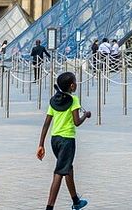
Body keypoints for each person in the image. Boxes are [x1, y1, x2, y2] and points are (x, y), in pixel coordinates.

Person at [36, 72, 91, 210]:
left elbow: (46, 123)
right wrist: (86, 115)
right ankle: (49, 207)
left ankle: (76, 201)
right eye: (75, 82)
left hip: (55, 140)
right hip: (67, 140)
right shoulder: (74, 100)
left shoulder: (54, 100)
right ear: (72, 86)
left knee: (67, 168)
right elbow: (77, 122)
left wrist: (41, 144)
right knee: (60, 172)